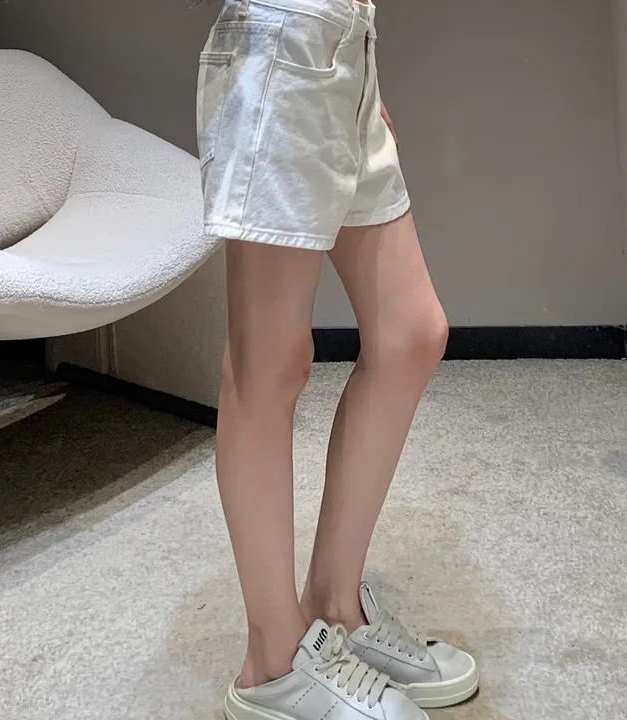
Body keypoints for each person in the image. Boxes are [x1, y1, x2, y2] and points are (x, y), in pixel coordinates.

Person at [196, 1, 480, 717]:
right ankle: (271, 661)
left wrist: (359, 78)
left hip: (344, 45)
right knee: (268, 364)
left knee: (411, 334)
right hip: (283, 42)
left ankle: (333, 606)